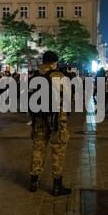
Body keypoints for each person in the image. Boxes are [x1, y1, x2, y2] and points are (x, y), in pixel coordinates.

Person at [29, 51, 71, 197]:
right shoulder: (59, 76)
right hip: (56, 120)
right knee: (58, 150)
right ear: (54, 62)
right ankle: (57, 186)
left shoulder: (34, 77)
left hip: (39, 119)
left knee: (38, 149)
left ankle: (34, 182)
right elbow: (67, 98)